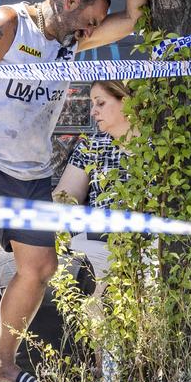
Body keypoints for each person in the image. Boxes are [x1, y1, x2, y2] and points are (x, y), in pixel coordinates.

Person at [0, 0, 147, 382]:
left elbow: (134, 18)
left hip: (32, 168)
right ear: (70, 0)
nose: (89, 30)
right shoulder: (9, 23)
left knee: (40, 268)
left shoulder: (69, 41)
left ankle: (2, 363)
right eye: (89, 19)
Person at [52, 80, 133, 279]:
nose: (92, 112)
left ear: (126, 102)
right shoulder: (91, 147)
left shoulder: (161, 148)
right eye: (92, 104)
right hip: (100, 244)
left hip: (150, 244)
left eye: (100, 103)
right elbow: (65, 197)